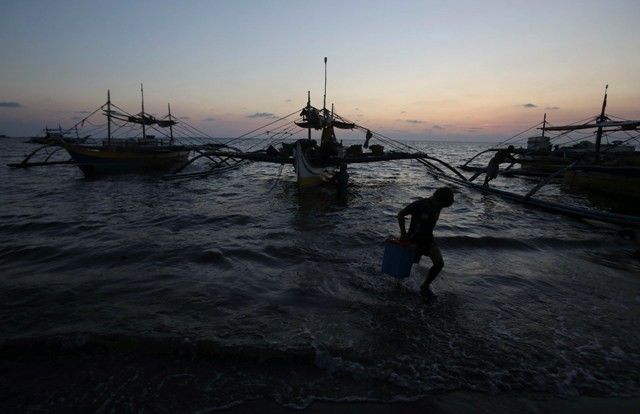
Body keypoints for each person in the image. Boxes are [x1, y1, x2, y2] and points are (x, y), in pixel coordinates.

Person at [397, 187, 454, 300]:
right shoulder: (419, 204)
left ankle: (424, 287)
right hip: (414, 239)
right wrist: (403, 234)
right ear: (436, 197)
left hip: (428, 239)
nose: (440, 208)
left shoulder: (439, 205)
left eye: (442, 207)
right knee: (405, 268)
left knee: (439, 263)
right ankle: (398, 287)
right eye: (441, 205)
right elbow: (401, 214)